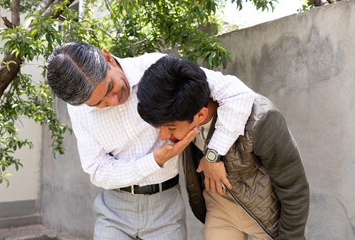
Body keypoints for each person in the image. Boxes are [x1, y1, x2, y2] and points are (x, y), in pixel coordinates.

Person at [46, 42, 255, 239]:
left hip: (165, 207)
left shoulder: (156, 68)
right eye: (98, 103)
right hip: (113, 210)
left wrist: (214, 154)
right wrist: (153, 161)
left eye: (110, 87)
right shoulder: (79, 109)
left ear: (107, 57)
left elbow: (237, 94)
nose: (114, 100)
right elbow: (97, 169)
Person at [137, 55, 310, 240]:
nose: (163, 136)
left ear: (201, 114)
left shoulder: (262, 119)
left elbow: (294, 187)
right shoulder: (183, 104)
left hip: (267, 217)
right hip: (219, 208)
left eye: (170, 128)